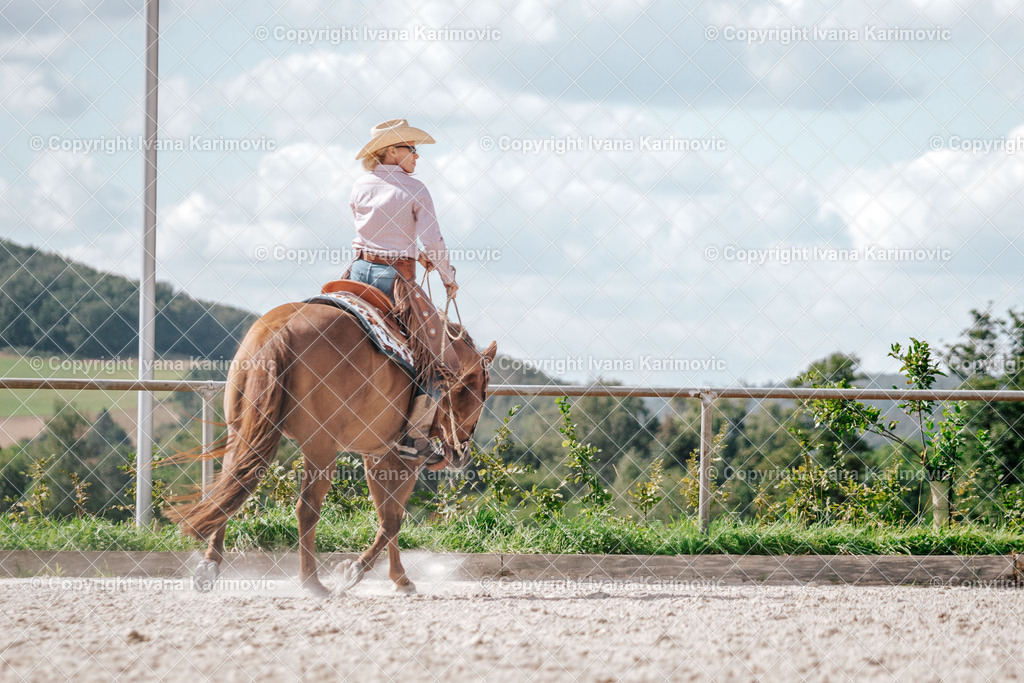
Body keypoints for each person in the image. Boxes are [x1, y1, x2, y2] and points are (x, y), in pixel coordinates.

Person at [347, 119, 460, 459]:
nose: (417, 155)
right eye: (411, 148)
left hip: (357, 273)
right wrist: (447, 277)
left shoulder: (360, 185)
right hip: (394, 280)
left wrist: (414, 253)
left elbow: (378, 232)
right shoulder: (415, 189)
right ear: (392, 151)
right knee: (442, 358)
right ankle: (415, 437)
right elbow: (433, 240)